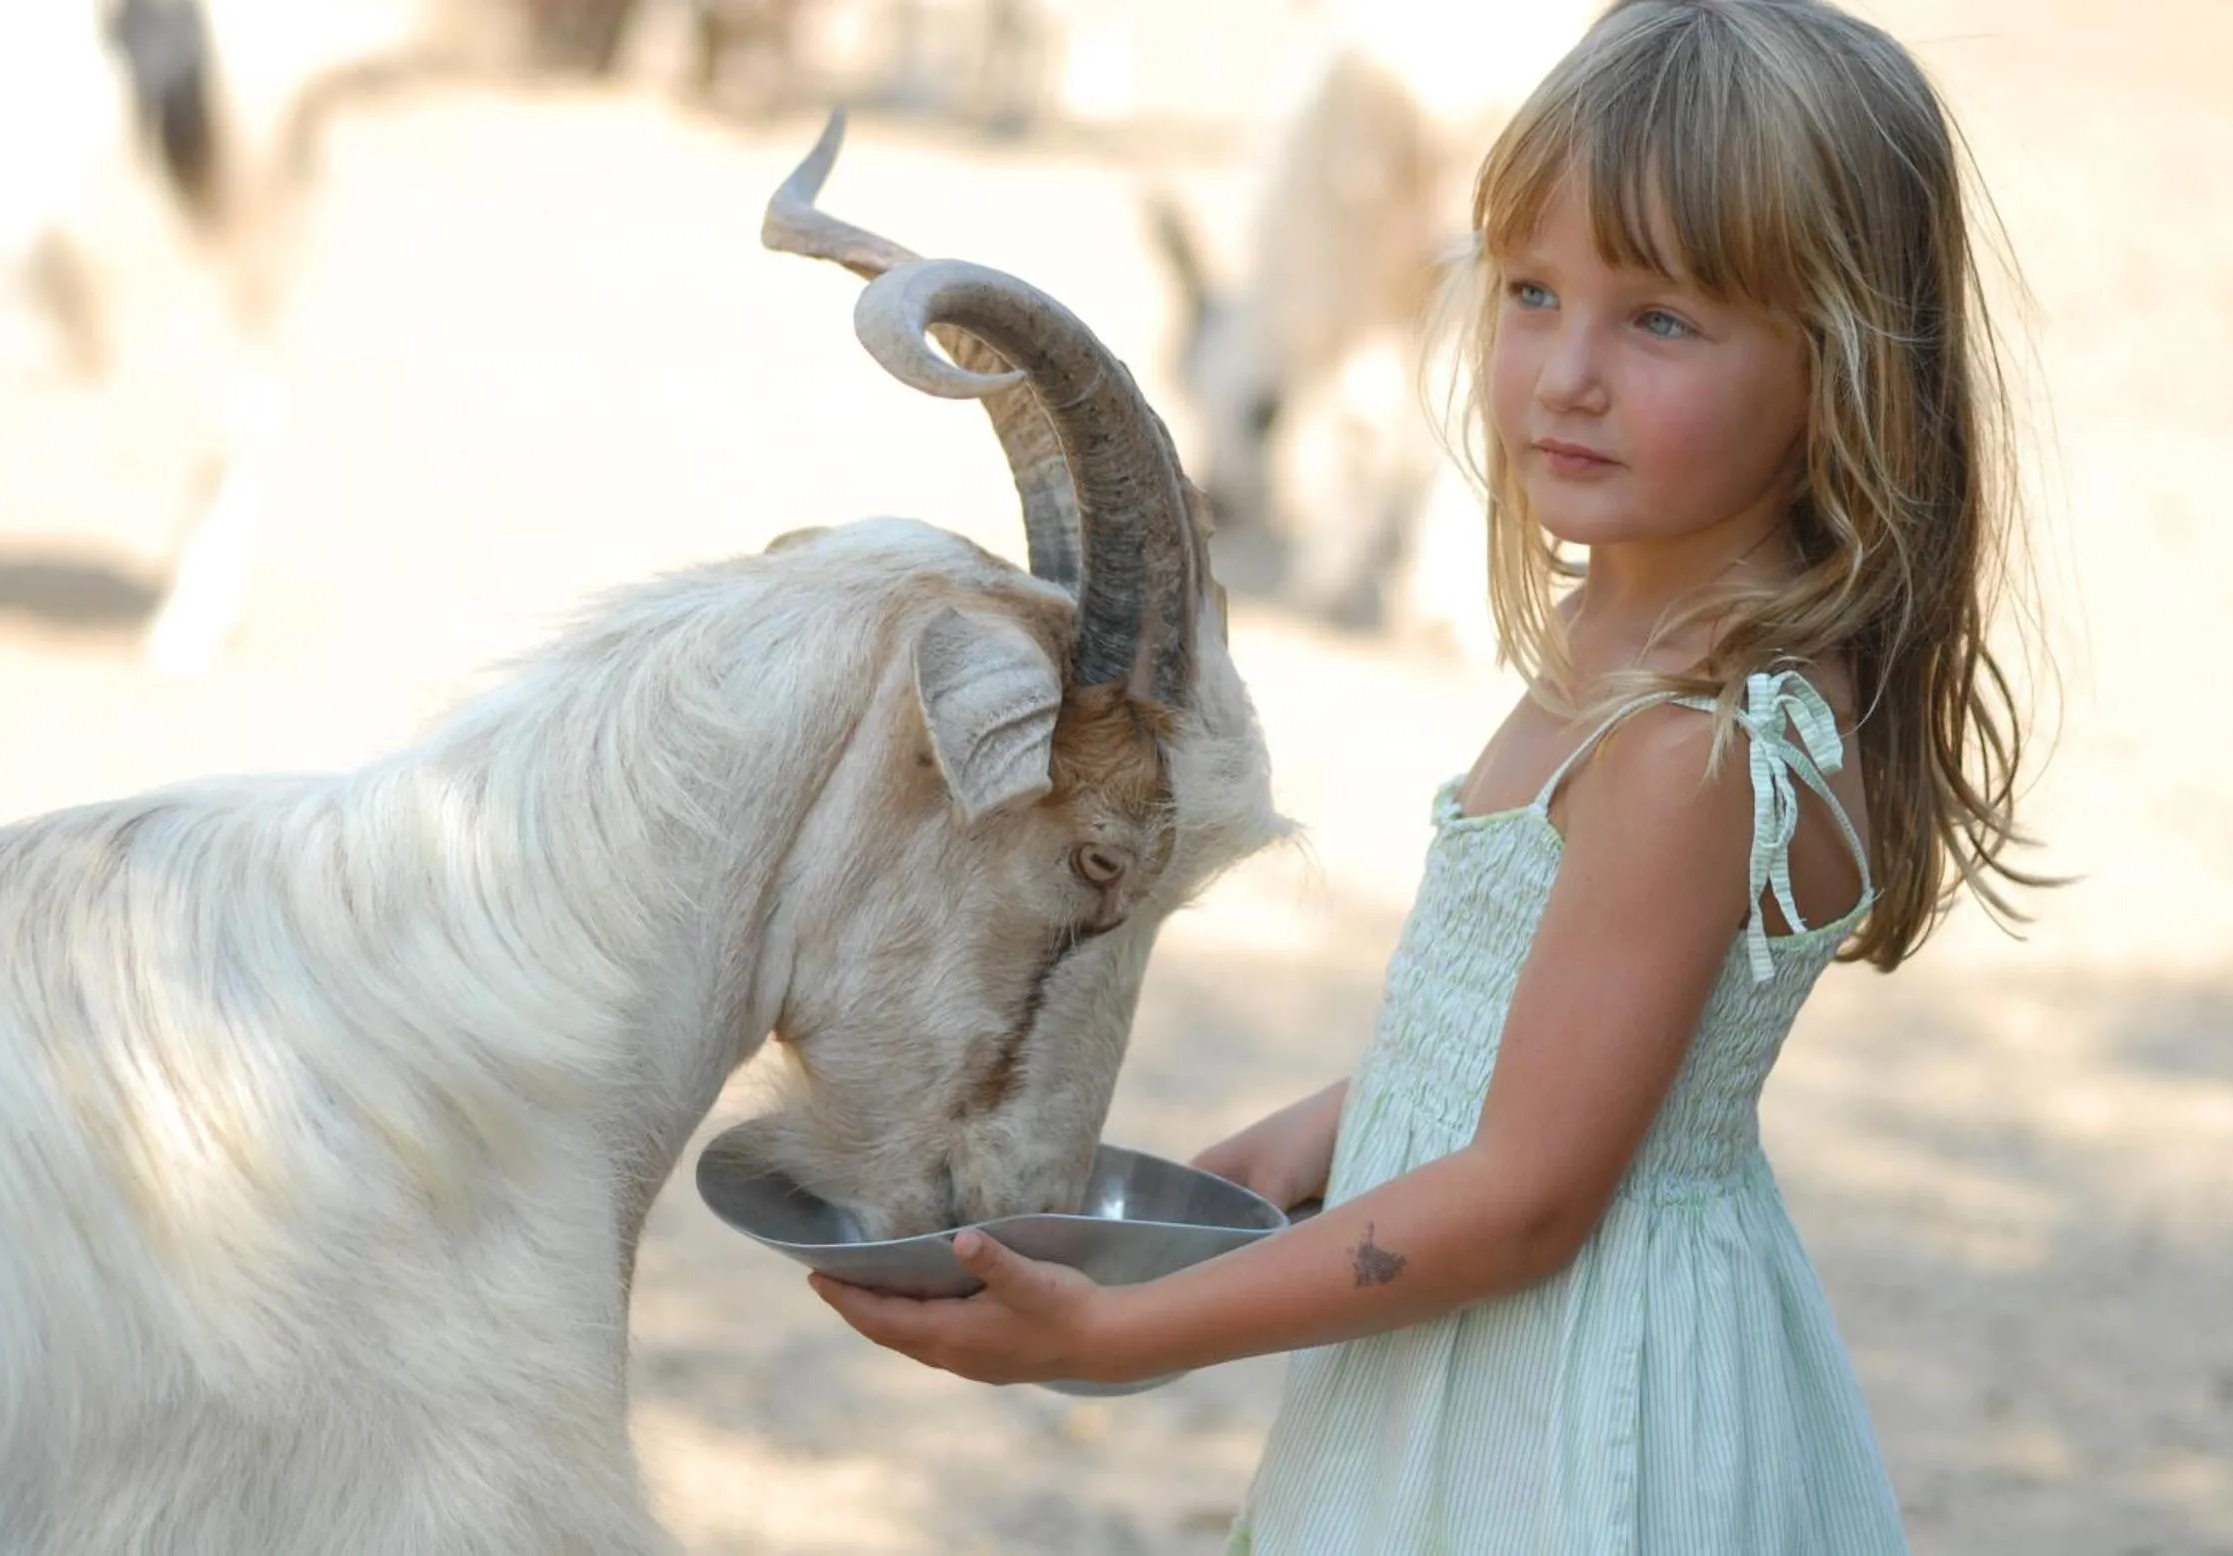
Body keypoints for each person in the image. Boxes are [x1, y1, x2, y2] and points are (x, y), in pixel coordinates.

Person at [811, 1, 2050, 1548]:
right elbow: (1575, 1034)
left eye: (1657, 319)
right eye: (1531, 291)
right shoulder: (1638, 622)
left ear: (1845, 363)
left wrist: (1114, 1338)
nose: (1562, 375)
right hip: (1503, 1336)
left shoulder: (1685, 743)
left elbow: (1527, 1197)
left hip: (1558, 1401)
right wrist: (1311, 1142)